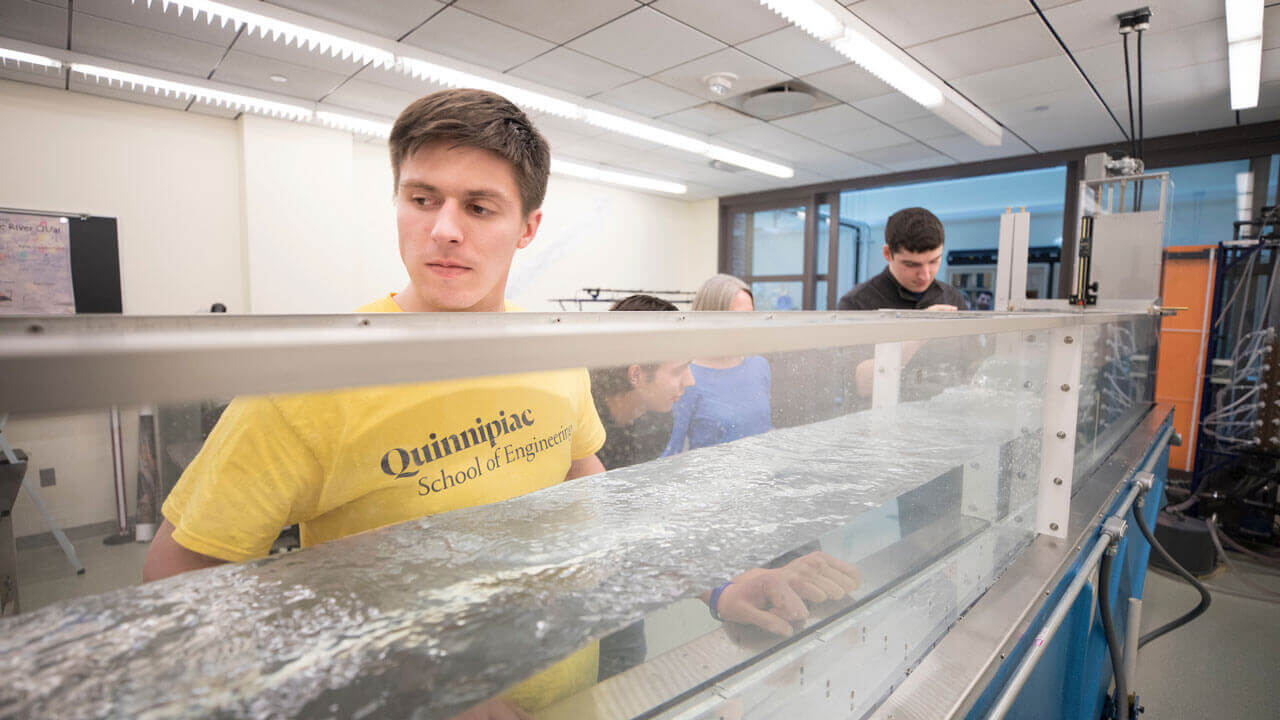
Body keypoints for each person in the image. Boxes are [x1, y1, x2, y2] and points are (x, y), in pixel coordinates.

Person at [142, 89, 605, 720]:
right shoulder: (317, 377)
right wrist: (408, 678)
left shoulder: (552, 348)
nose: (443, 230)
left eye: (478, 206)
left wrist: (715, 585)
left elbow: (586, 485)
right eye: (422, 199)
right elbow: (177, 578)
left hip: (576, 691)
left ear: (528, 228)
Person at [590, 294, 693, 681]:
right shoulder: (577, 417)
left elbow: (633, 517)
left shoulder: (656, 422)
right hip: (569, 586)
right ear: (636, 374)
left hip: (621, 582)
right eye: (680, 369)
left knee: (627, 663)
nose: (691, 381)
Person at [663, 275, 771, 456]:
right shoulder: (686, 377)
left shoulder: (759, 366)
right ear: (711, 317)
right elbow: (670, 452)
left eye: (750, 316)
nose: (747, 326)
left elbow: (763, 428)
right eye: (738, 318)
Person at [837, 207, 969, 312]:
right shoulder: (856, 304)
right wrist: (922, 331)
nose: (925, 276)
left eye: (934, 261)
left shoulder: (953, 298)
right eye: (912, 264)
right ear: (887, 253)